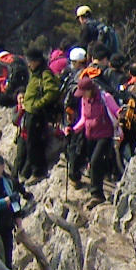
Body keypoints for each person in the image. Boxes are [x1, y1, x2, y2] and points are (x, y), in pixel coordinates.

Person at [64, 74, 122, 203]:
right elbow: (84, 119)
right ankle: (96, 190)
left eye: (83, 92)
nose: (82, 95)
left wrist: (122, 116)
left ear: (90, 90)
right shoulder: (85, 101)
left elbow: (116, 111)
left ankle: (97, 194)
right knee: (92, 163)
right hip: (90, 136)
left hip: (105, 136)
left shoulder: (104, 98)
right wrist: (73, 129)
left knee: (96, 162)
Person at [16, 47, 64, 181]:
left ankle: (38, 172)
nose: (28, 63)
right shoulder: (36, 72)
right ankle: (32, 171)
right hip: (31, 112)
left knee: (34, 143)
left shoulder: (45, 73)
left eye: (30, 61)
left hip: (36, 114)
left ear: (36, 61)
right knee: (30, 142)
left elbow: (53, 91)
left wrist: (37, 104)